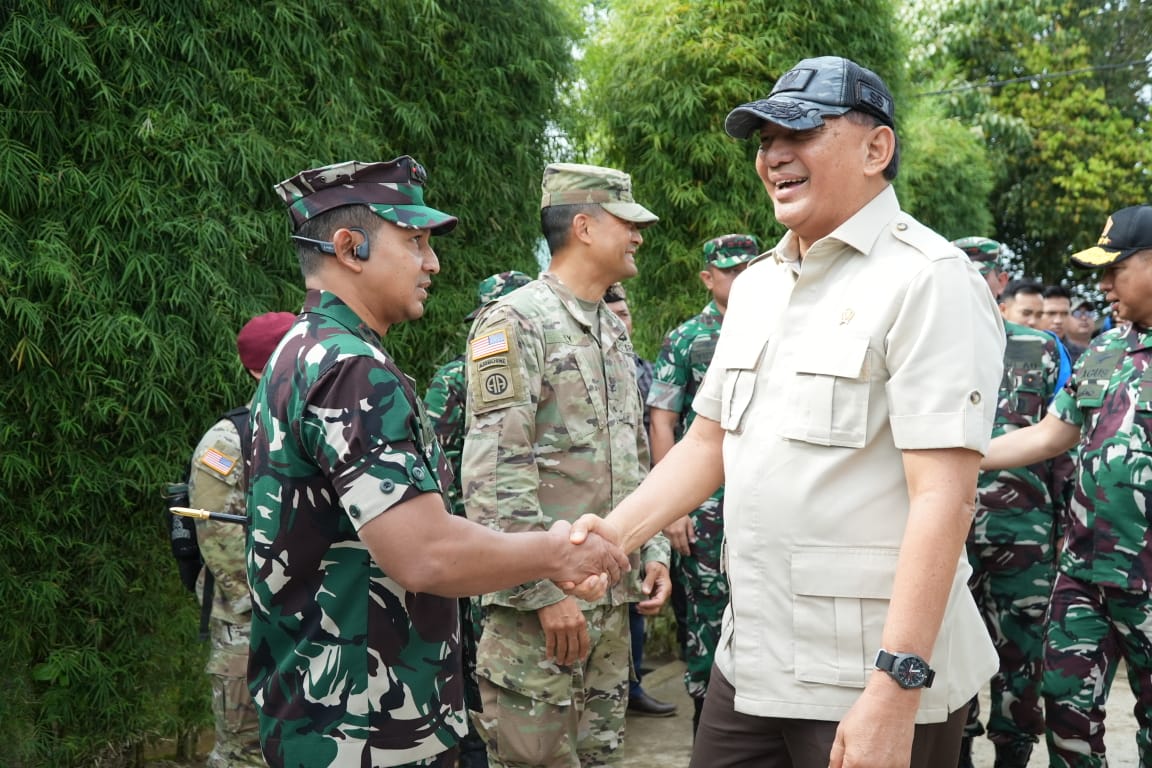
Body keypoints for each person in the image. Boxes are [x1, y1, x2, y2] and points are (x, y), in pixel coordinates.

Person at [568, 55, 1006, 768]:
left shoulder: (928, 280)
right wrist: (614, 536)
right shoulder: (759, 287)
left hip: (866, 671)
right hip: (752, 657)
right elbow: (708, 441)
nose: (773, 155)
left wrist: (896, 685)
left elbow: (944, 498)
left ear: (876, 148)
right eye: (765, 139)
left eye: (800, 134)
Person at [246, 156, 629, 768]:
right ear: (348, 248)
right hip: (368, 725)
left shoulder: (303, 350)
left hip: (325, 708)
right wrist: (556, 556)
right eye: (415, 242)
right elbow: (425, 553)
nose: (433, 263)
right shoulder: (352, 370)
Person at [461, 162, 672, 767]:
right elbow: (494, 478)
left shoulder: (612, 330)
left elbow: (632, 456)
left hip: (608, 601)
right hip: (539, 615)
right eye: (627, 223)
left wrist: (652, 549)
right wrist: (542, 591)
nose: (638, 236)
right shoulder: (515, 322)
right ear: (583, 227)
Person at [980, 204, 1152, 768]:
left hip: (1147, 576)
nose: (1102, 285)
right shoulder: (1105, 350)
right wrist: (958, 455)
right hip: (1084, 575)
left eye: (1114, 270)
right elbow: (1050, 435)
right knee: (1065, 713)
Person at [950, 237, 1070, 768]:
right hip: (947, 530)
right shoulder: (925, 341)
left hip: (1025, 533)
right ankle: (955, 752)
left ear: (1001, 280)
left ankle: (1012, 754)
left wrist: (1065, 526)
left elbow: (1063, 443)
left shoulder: (1041, 348)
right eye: (965, 271)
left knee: (1022, 655)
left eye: (985, 272)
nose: (976, 281)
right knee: (948, 652)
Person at [646, 233, 758, 735]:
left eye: (748, 268)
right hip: (706, 507)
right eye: (730, 271)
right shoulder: (688, 338)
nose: (741, 278)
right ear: (707, 278)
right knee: (707, 615)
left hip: (764, 499)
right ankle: (707, 724)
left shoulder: (782, 326)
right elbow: (662, 422)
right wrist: (673, 508)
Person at [423, 270, 533, 768]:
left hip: (530, 536)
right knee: (477, 647)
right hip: (474, 537)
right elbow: (434, 464)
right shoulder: (455, 378)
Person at [188, 311, 295, 767]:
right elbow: (218, 535)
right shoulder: (228, 442)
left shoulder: (313, 427)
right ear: (258, 370)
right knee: (246, 751)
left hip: (311, 619)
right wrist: (270, 603)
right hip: (249, 624)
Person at [603, 281, 678, 719]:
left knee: (634, 599)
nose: (622, 323)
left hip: (642, 503)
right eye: (613, 315)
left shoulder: (643, 370)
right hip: (586, 521)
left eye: (626, 314)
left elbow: (643, 453)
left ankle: (630, 686)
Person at [1041, 285, 1086, 361]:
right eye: (1051, 313)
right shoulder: (1023, 350)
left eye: (1064, 314)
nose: (1058, 321)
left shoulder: (1083, 356)